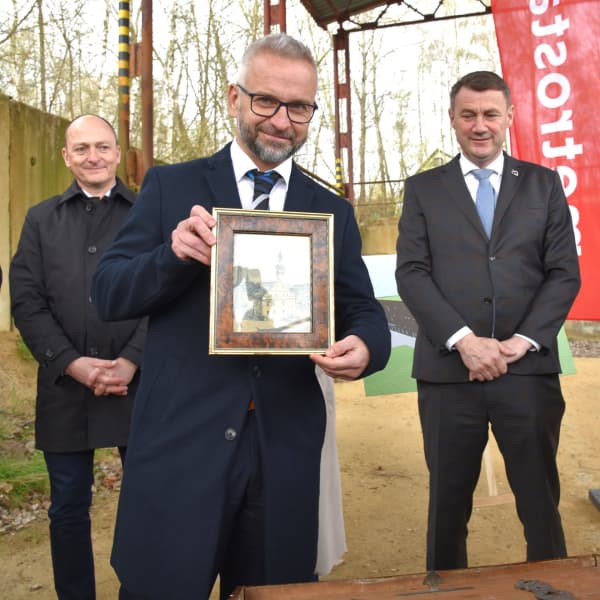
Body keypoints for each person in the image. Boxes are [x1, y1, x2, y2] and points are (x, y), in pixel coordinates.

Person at [91, 33, 390, 600]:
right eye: (266, 101)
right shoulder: (171, 186)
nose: (281, 121)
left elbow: (364, 312)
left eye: (298, 107)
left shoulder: (331, 211)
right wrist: (172, 255)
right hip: (181, 448)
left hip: (283, 454)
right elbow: (108, 293)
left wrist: (366, 347)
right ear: (234, 98)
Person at [395, 71, 581, 572]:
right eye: (469, 115)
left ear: (509, 118)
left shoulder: (543, 184)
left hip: (528, 374)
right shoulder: (423, 189)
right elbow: (411, 272)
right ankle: (446, 588)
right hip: (448, 374)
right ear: (453, 119)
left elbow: (564, 272)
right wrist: (464, 341)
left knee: (540, 503)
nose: (480, 125)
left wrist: (522, 341)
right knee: (447, 506)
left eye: (490, 114)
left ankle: (552, 587)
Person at [9, 114, 146, 599]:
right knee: (67, 508)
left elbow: (169, 292)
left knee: (147, 503)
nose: (94, 157)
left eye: (102, 147)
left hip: (139, 384)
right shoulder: (40, 219)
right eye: (82, 148)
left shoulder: (148, 214)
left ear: (117, 152)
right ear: (66, 157)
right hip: (64, 387)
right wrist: (70, 362)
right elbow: (26, 301)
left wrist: (132, 358)